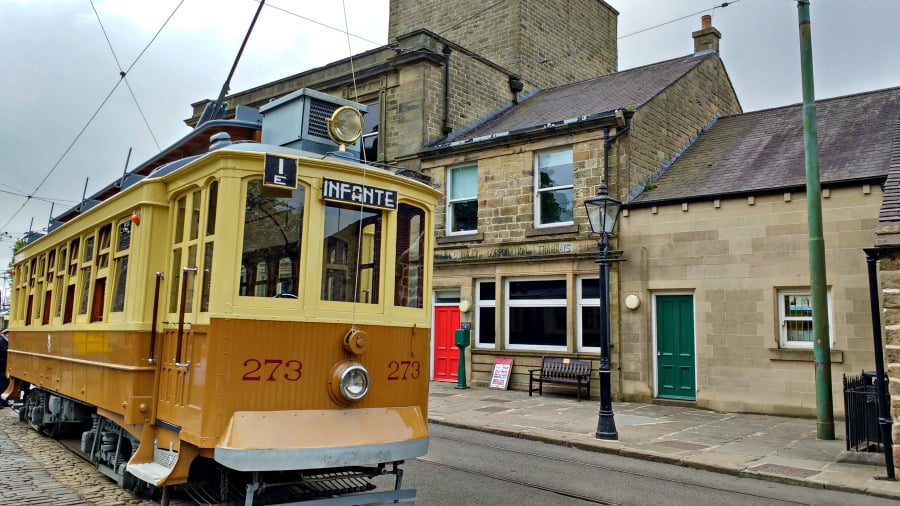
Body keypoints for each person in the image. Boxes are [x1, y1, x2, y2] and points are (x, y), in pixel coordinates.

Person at [0, 329, 8, 408]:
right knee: (2, 384)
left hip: (3, 367)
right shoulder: (1, 342)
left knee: (4, 384)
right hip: (2, 366)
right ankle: (1, 402)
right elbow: (5, 349)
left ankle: (3, 401)